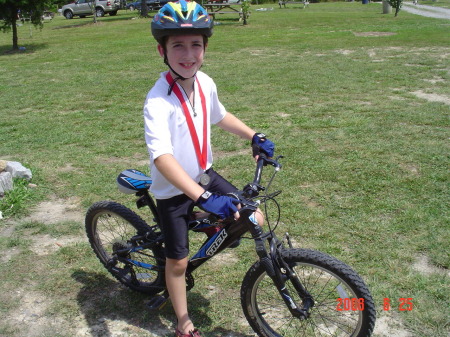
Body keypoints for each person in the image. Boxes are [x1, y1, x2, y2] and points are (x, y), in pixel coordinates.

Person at [144, 1, 275, 336]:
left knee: (255, 217)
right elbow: (163, 158)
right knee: (178, 263)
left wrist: (253, 135)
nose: (188, 54)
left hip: (204, 175)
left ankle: (210, 226)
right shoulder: (158, 101)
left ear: (205, 47)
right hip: (175, 190)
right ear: (162, 49)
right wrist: (202, 197)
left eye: (196, 45)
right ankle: (183, 320)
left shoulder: (205, 82)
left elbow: (219, 115)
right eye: (178, 46)